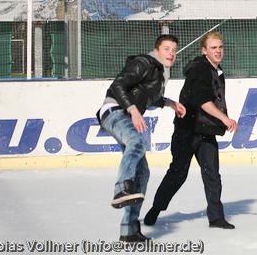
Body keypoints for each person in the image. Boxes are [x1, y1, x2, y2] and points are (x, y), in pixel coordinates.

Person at [144, 32, 239, 230]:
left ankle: (216, 218)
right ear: (204, 51)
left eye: (220, 47)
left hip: (206, 131)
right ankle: (156, 208)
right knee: (178, 173)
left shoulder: (216, 70)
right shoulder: (200, 70)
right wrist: (224, 119)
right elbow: (202, 99)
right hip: (187, 131)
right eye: (213, 48)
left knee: (212, 174)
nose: (218, 51)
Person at [97, 34, 186, 244]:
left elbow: (148, 95)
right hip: (115, 111)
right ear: (156, 50)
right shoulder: (144, 62)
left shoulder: (159, 72)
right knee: (137, 143)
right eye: (166, 49)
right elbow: (118, 85)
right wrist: (133, 109)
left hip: (125, 113)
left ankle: (129, 230)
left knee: (143, 172)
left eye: (174, 50)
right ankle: (121, 188)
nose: (171, 53)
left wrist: (170, 103)